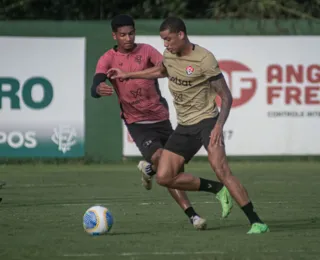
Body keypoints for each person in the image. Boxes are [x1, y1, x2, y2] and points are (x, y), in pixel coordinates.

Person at [108, 16, 269, 234]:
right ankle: (219, 190)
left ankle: (256, 221)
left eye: (168, 39)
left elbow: (227, 96)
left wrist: (219, 126)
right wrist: (127, 74)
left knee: (221, 168)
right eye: (163, 40)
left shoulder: (204, 59)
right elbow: (161, 71)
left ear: (181, 35)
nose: (165, 45)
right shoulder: (169, 55)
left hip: (207, 122)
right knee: (164, 177)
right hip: (184, 126)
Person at [91, 14, 232, 230]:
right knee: (160, 160)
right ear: (114, 36)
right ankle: (193, 214)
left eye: (131, 33)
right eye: (123, 35)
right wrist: (98, 89)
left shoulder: (147, 51)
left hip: (161, 117)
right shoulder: (107, 58)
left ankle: (149, 169)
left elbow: (166, 67)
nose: (128, 38)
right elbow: (96, 83)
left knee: (174, 171)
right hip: (137, 123)